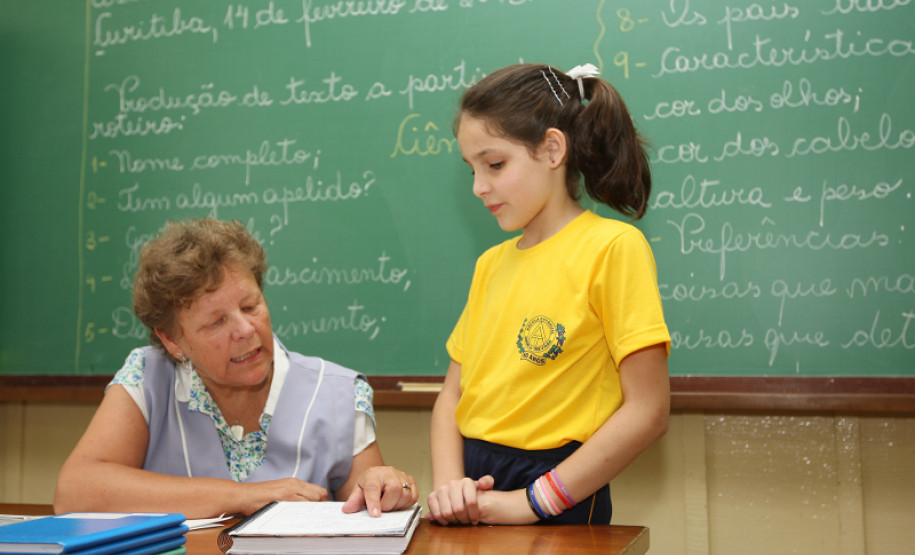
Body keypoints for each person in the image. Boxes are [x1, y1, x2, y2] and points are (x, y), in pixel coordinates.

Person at [426, 63, 671, 525]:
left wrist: (531, 503)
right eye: (472, 169)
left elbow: (648, 410)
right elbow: (451, 397)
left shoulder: (612, 249)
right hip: (476, 485)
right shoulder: (490, 265)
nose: (479, 187)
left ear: (553, 149)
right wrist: (449, 487)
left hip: (561, 489)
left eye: (495, 164)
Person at [54, 218, 418, 519]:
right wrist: (242, 496)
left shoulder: (338, 393)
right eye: (215, 323)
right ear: (173, 342)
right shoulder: (147, 376)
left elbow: (370, 511)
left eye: (250, 306)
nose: (246, 331)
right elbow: (75, 491)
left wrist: (385, 487)